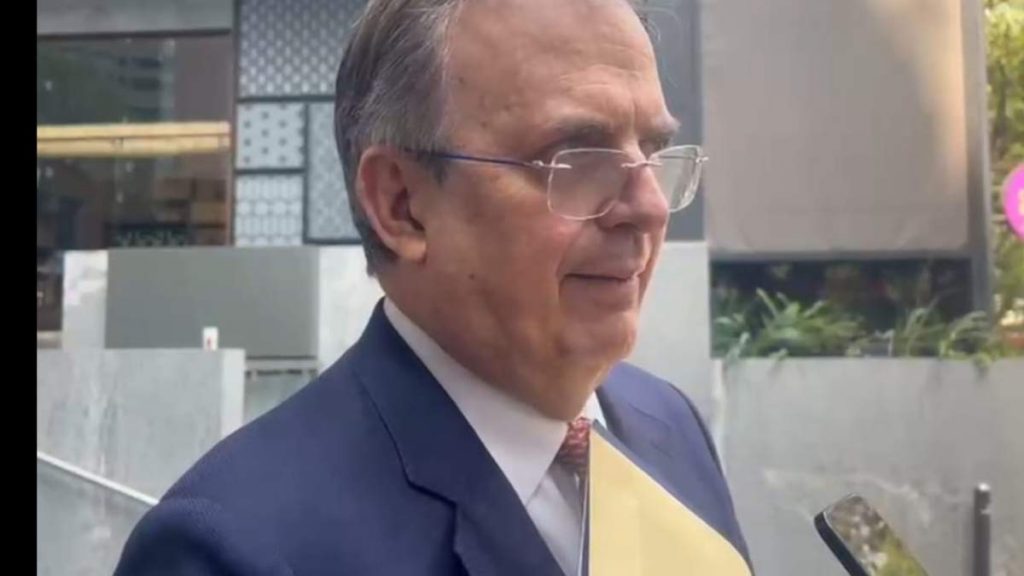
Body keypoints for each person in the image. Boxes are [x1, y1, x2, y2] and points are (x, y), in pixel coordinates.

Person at [115, 0, 749, 574]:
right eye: (577, 158)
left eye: (654, 150)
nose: (649, 208)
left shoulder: (670, 426)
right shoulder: (234, 549)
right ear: (402, 205)